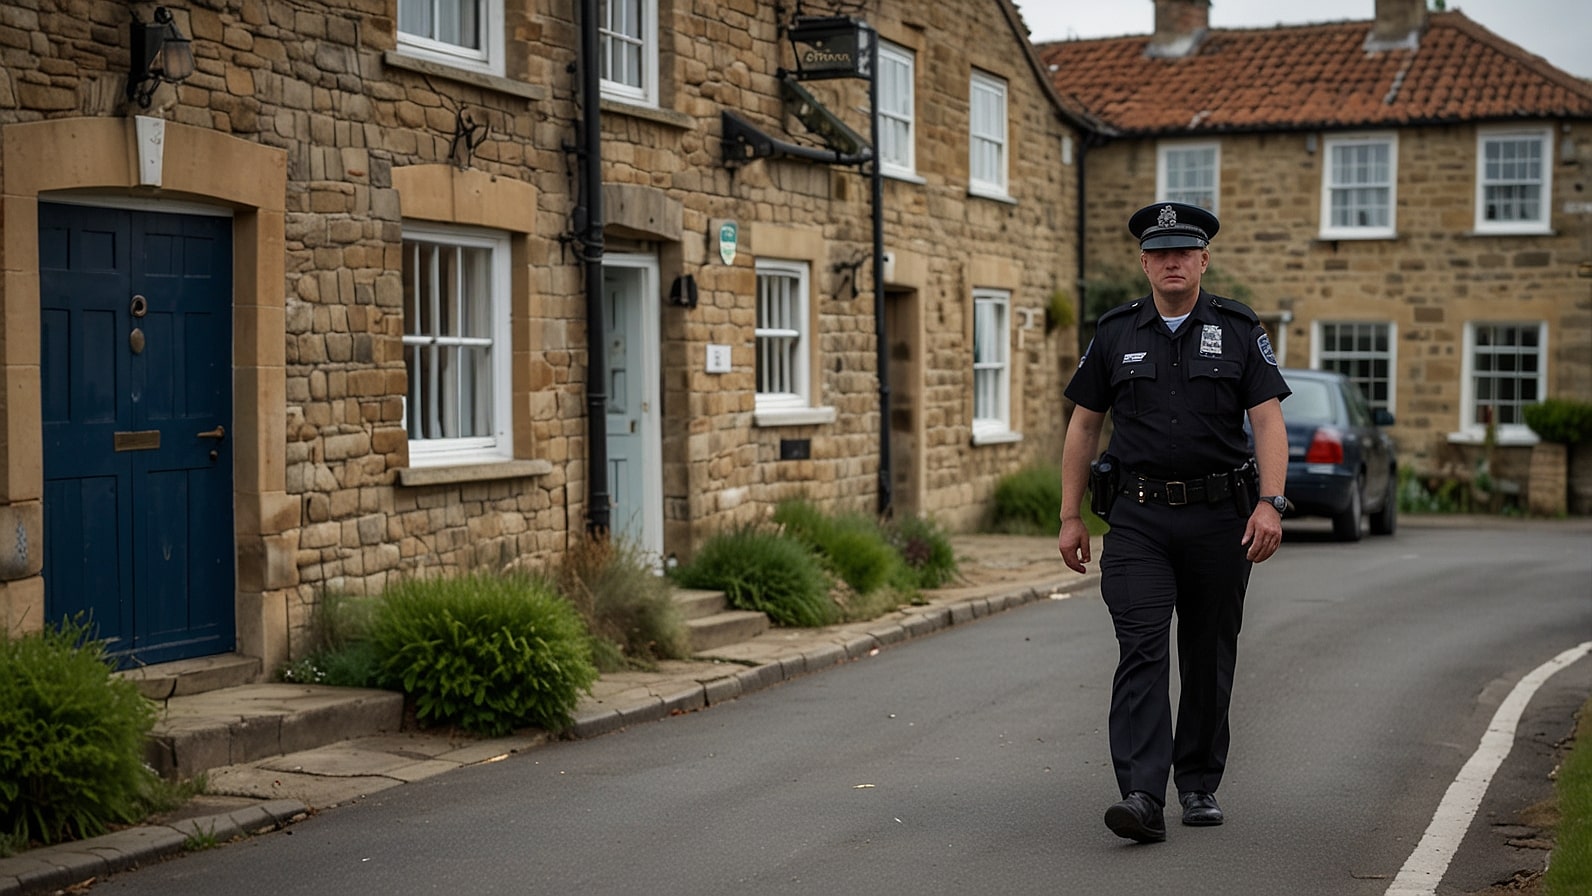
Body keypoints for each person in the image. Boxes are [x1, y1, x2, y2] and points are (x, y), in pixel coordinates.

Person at [1056, 201, 1290, 844]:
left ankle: (1197, 783)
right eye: (1161, 253)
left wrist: (1270, 501)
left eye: (1184, 251)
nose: (1172, 261)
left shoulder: (1239, 328)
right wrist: (1070, 515)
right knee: (1142, 647)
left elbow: (1267, 419)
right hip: (1137, 520)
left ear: (1203, 259)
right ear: (1145, 264)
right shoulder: (1115, 332)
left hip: (1221, 518)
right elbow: (1084, 424)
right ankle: (1141, 794)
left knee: (1209, 653)